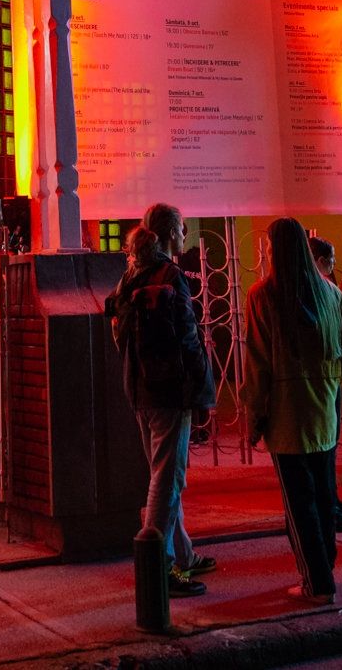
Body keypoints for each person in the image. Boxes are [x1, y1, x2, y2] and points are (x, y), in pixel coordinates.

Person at [106, 203, 217, 598]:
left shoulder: (130, 276)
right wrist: (203, 389)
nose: (185, 236)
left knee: (164, 473)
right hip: (170, 390)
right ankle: (160, 567)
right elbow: (188, 339)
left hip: (140, 388)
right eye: (183, 230)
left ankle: (183, 554)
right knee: (167, 479)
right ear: (171, 233)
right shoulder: (170, 275)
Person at [244, 217, 342, 604]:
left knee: (298, 503)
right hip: (324, 410)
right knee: (325, 495)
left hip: (286, 413)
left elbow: (258, 364)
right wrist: (328, 383)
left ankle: (316, 581)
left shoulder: (263, 295)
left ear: (273, 249)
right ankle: (327, 567)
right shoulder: (331, 293)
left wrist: (254, 415)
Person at [308, 236, 342, 533]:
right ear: (319, 261)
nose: (334, 265)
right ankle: (328, 506)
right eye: (330, 260)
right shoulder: (326, 292)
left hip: (323, 379)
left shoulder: (322, 291)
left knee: (326, 449)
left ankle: (332, 501)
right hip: (326, 380)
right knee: (323, 449)